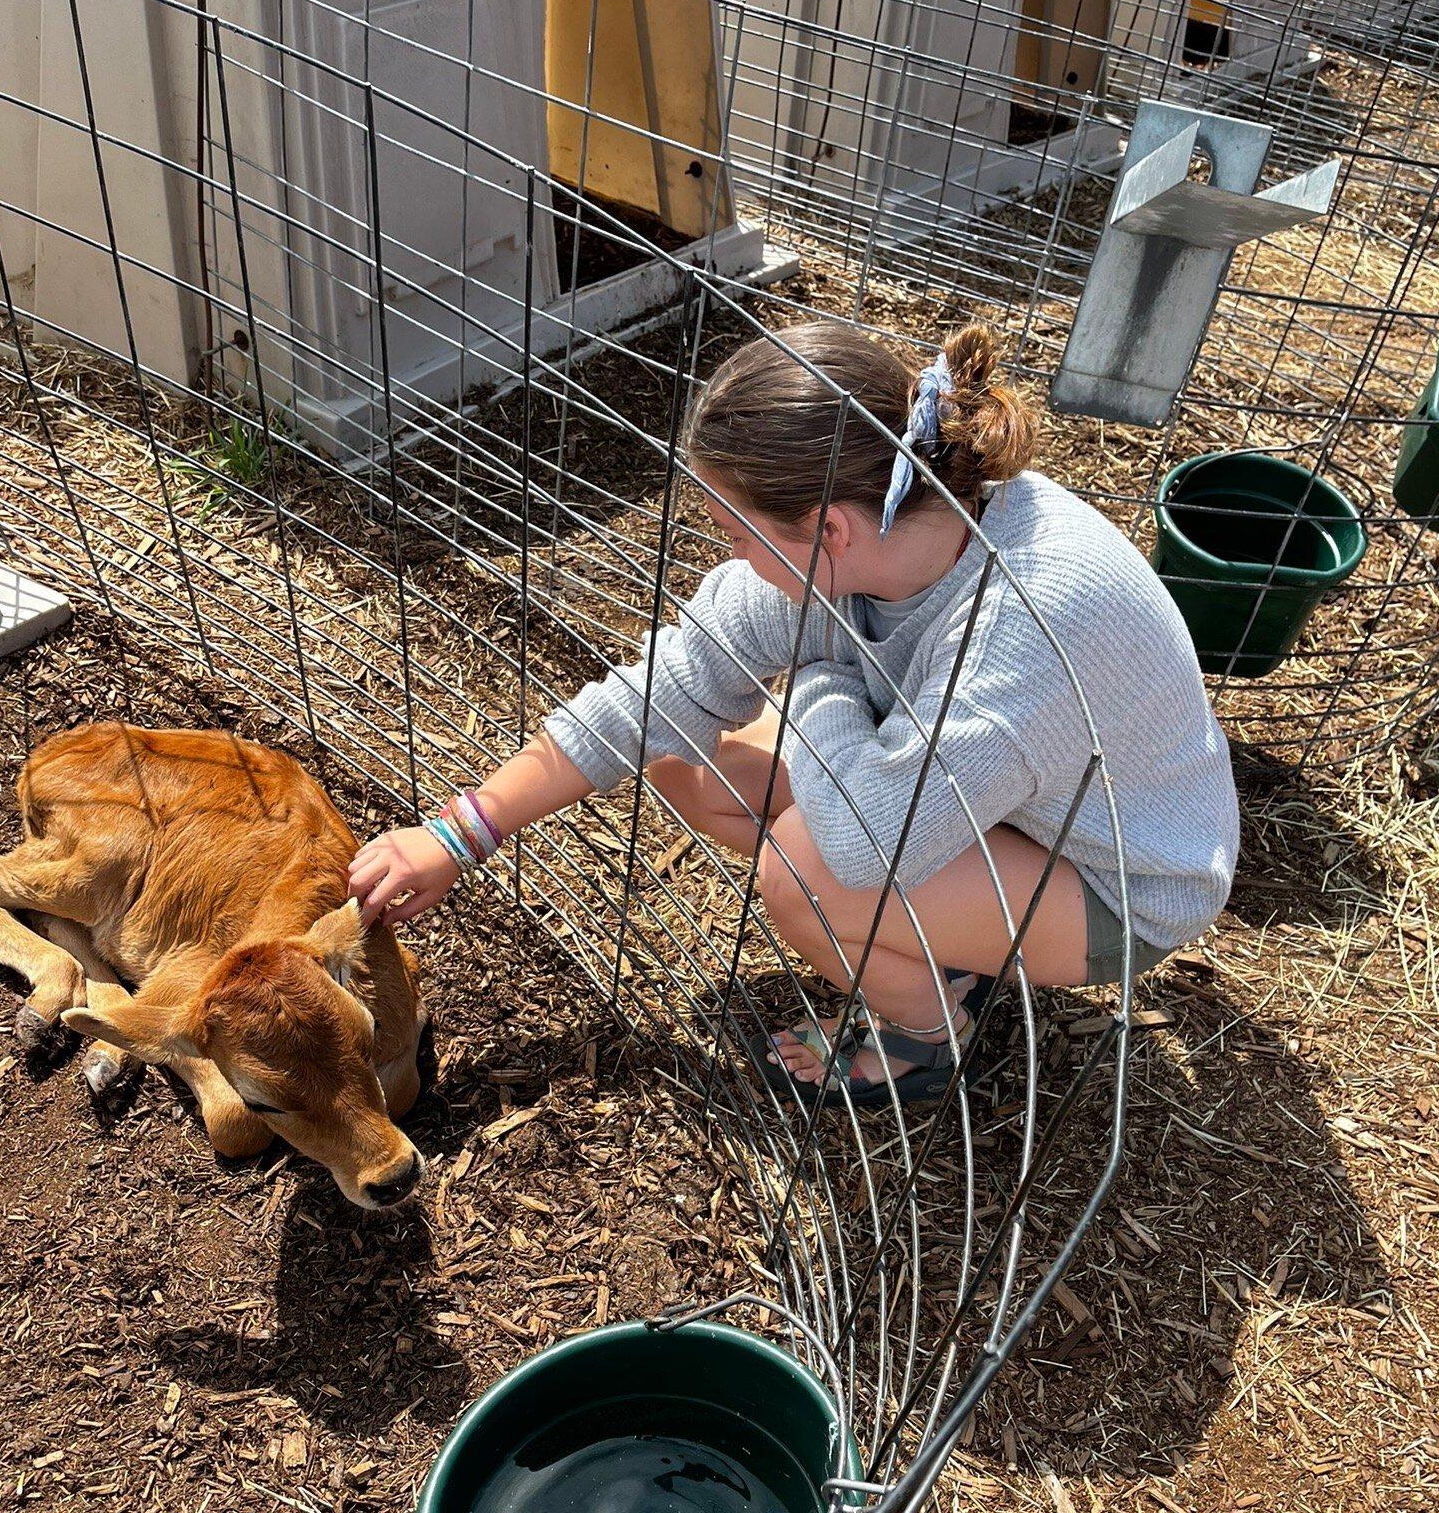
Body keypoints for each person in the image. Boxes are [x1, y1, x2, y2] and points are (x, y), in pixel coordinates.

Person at [349, 320, 1239, 1105]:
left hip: (1115, 879)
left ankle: (930, 1036)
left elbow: (866, 844)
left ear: (827, 529)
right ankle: (944, 937)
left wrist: (815, 679)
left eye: (737, 534)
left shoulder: (1024, 621)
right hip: (980, 797)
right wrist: (463, 831)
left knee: (806, 870)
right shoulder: (892, 525)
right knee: (692, 766)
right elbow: (662, 688)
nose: (728, 557)